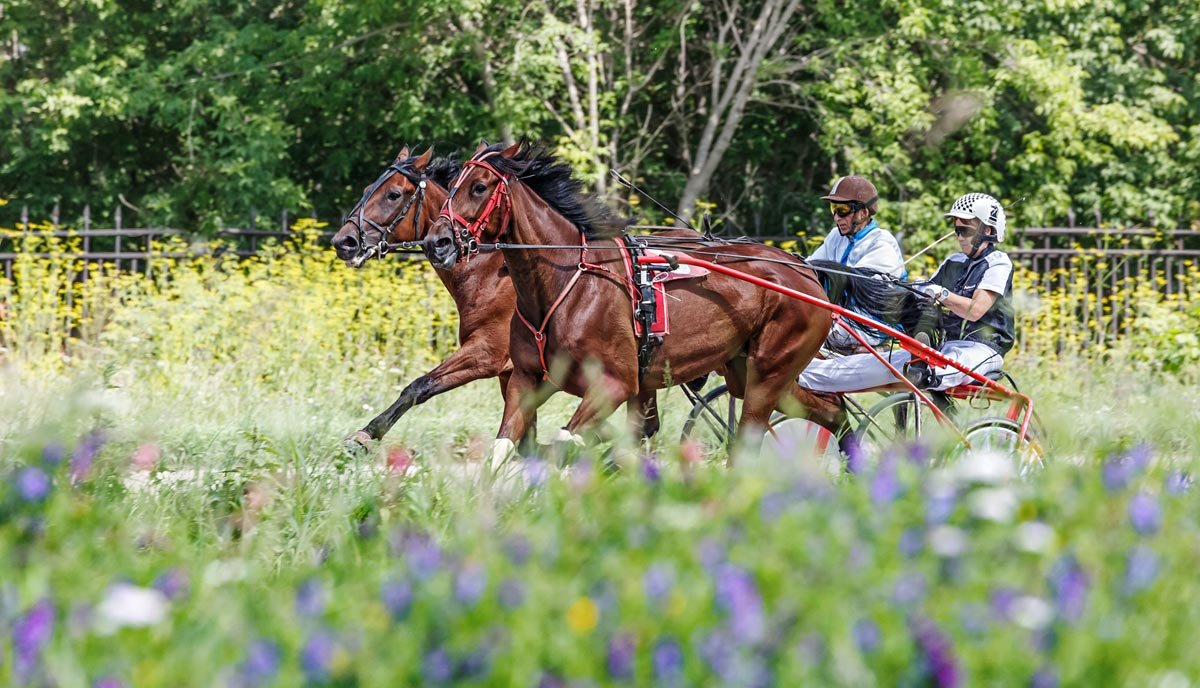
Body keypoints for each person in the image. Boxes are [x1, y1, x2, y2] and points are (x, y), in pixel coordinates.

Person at [798, 192, 1014, 393]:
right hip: (944, 348)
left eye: (965, 230)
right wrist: (913, 288)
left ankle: (924, 372)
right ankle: (806, 375)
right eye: (957, 230)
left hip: (982, 350)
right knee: (882, 361)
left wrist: (941, 294)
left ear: (988, 231)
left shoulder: (998, 263)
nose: (959, 237)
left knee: (926, 372)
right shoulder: (953, 261)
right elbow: (924, 296)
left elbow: (976, 311)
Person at [808, 175, 906, 278]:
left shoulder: (881, 243)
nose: (836, 218)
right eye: (833, 209)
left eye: (842, 210)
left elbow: (856, 286)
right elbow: (809, 267)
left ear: (863, 213)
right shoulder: (835, 236)